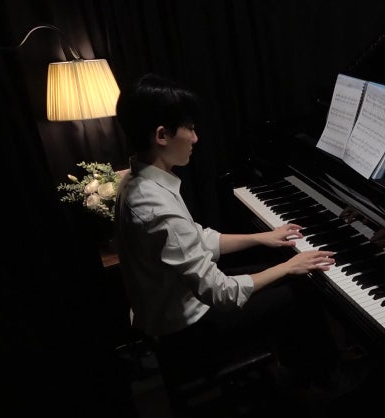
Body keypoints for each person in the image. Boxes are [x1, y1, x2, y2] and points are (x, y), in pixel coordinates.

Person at [113, 73, 344, 396]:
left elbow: (198, 238)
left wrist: (261, 238)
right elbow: (222, 294)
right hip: (186, 330)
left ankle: (301, 370)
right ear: (162, 135)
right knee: (301, 292)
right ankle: (327, 383)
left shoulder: (138, 180)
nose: (196, 138)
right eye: (190, 129)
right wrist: (288, 266)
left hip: (171, 307)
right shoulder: (155, 207)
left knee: (282, 273)